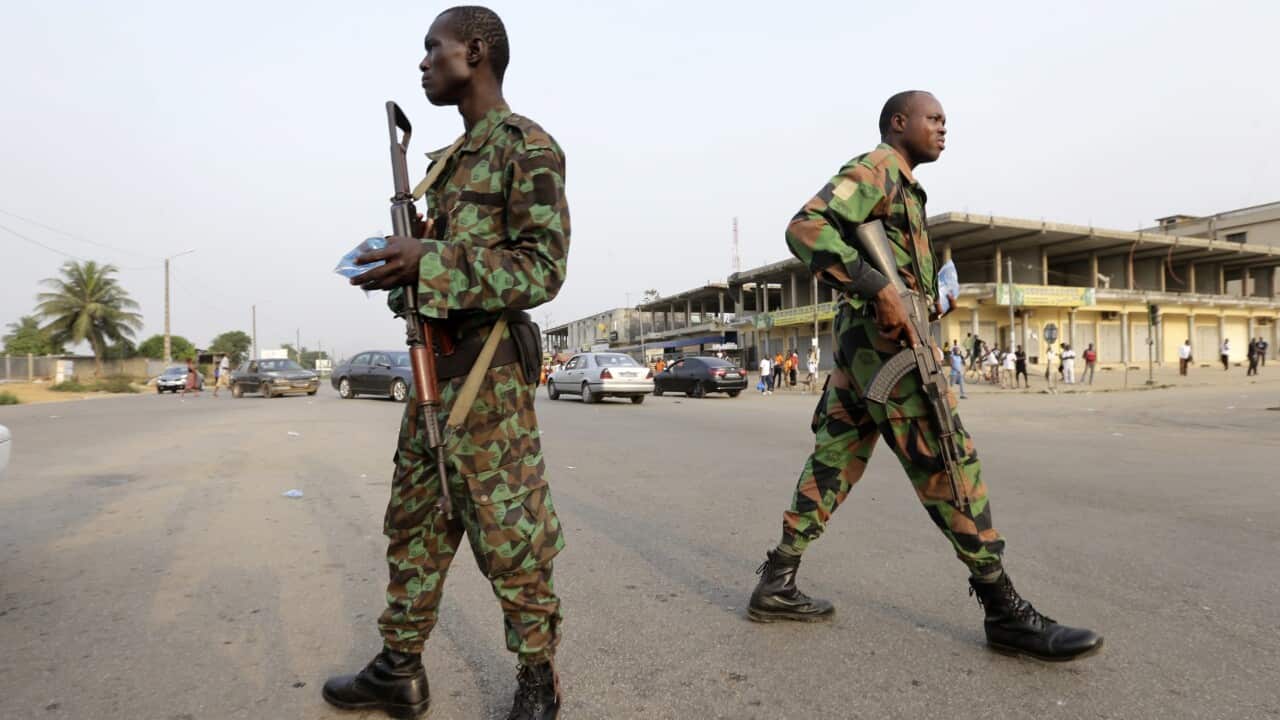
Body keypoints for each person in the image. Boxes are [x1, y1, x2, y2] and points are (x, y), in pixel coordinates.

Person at [747, 90, 1099, 663]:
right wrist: (878, 287)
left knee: (833, 461)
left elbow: (894, 277)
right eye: (933, 119)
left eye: (945, 121)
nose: (942, 129)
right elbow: (804, 228)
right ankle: (1004, 610)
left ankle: (777, 580)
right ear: (898, 122)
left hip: (871, 350)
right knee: (950, 461)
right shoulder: (879, 168)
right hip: (888, 350)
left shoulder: (904, 186)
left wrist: (925, 302)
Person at [327, 8, 570, 719]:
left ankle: (536, 680)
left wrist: (427, 260)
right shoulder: (449, 162)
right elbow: (456, 266)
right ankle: (399, 668)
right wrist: (401, 268)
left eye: (433, 48)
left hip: (488, 376)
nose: (424, 62)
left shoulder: (526, 145)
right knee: (416, 521)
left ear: (476, 50)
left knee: (512, 535)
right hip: (433, 370)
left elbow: (541, 269)